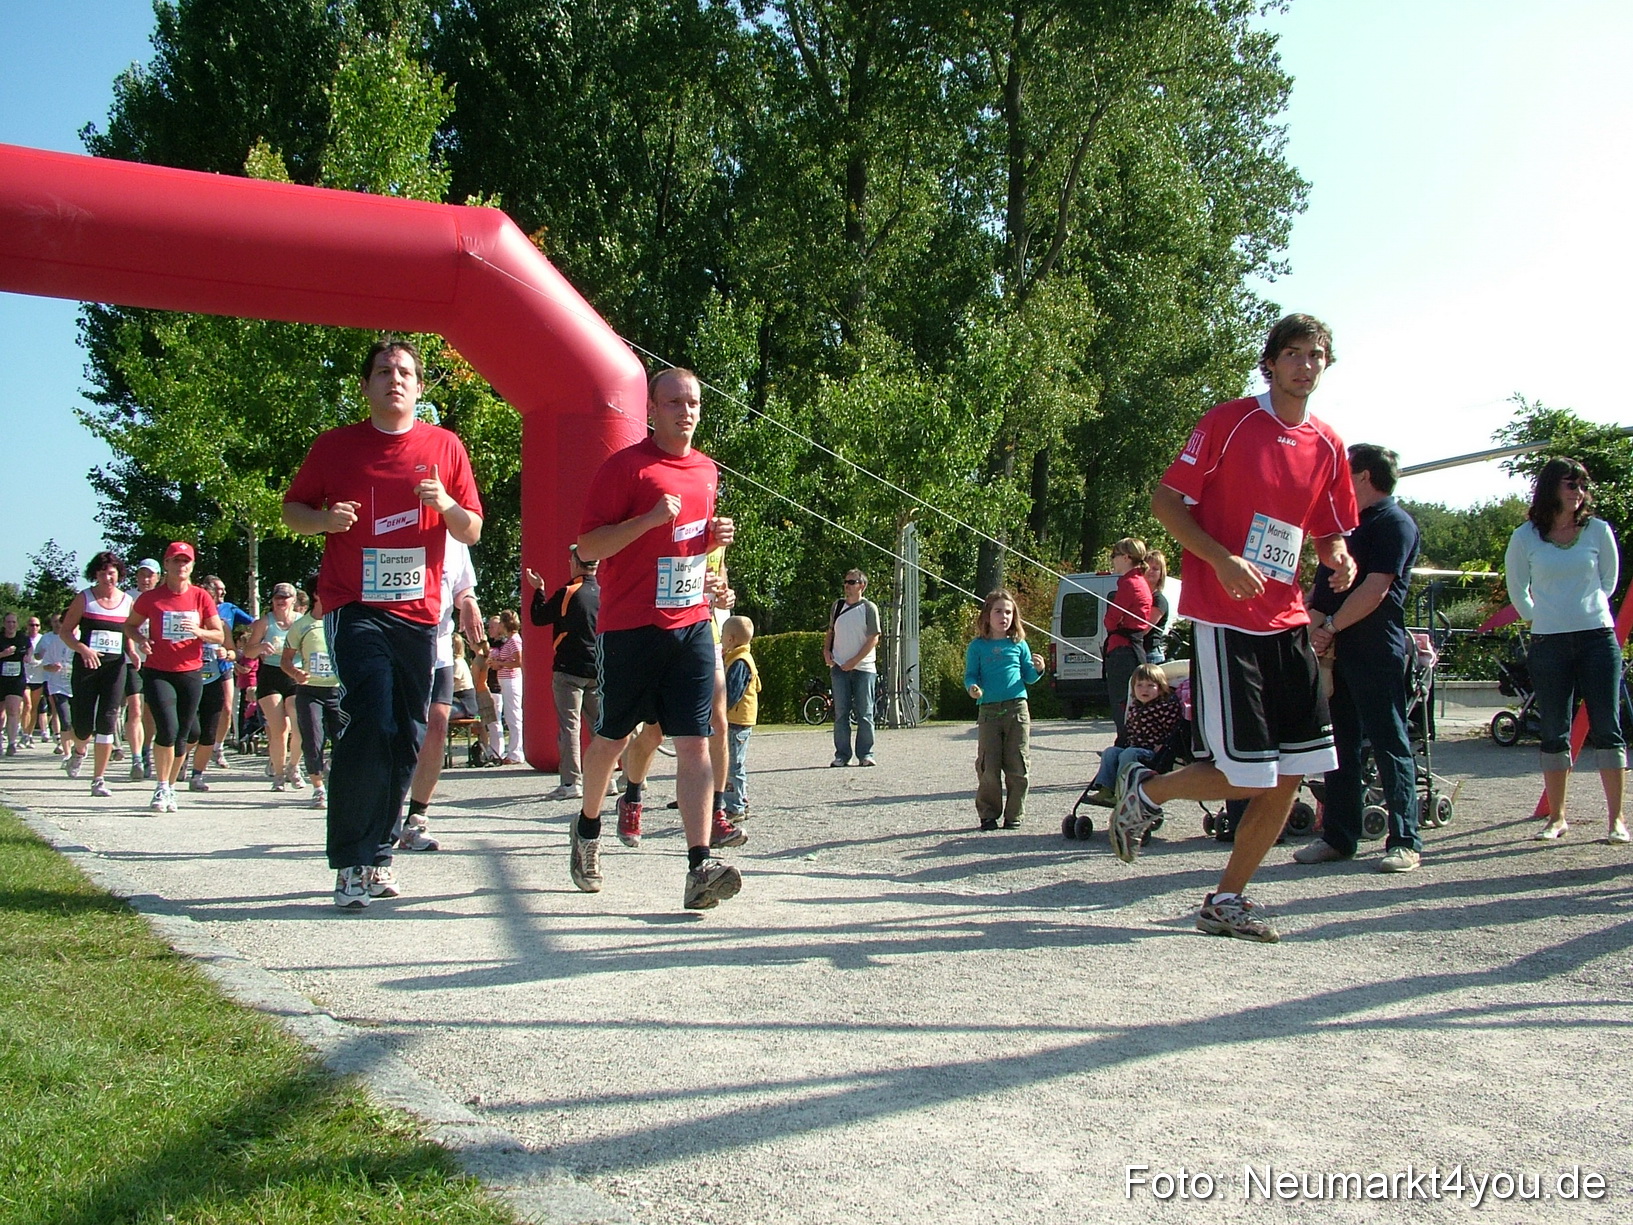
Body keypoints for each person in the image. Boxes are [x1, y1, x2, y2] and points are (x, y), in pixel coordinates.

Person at [1109, 313, 1359, 943]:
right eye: (1295, 354)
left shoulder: (1329, 445)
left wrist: (1335, 555)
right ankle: (1150, 789)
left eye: (1317, 356)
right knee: (1250, 772)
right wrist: (1220, 558)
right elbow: (1165, 502)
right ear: (1270, 363)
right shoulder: (1229, 421)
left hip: (1289, 620)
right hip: (1225, 618)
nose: (1306, 366)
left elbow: (1327, 528)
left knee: (1294, 769)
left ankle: (1227, 899)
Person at [282, 337, 483, 910]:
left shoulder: (445, 447)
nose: (395, 380)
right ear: (366, 385)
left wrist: (444, 503)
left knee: (407, 733)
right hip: (356, 605)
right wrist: (324, 519)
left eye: (406, 373)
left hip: (420, 616)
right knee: (369, 716)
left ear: (419, 387)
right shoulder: (336, 447)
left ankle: (379, 855)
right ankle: (349, 860)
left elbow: (471, 530)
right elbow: (290, 511)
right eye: (384, 371)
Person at [568, 366, 742, 910]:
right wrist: (645, 521)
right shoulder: (624, 469)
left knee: (694, 741)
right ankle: (588, 828)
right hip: (629, 629)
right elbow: (587, 547)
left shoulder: (708, 472)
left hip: (690, 625)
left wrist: (713, 559)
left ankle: (699, 865)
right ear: (651, 410)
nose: (685, 412)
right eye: (673, 403)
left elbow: (691, 551)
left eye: (693, 403)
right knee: (612, 741)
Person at [1297, 444, 1425, 871]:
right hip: (1336, 651)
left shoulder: (1394, 523)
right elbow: (1321, 590)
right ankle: (1338, 836)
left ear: (1364, 476)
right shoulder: (1341, 527)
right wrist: (1306, 627)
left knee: (1389, 741)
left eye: (1343, 473)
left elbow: (1375, 590)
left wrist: (1329, 628)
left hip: (1376, 648)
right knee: (1339, 744)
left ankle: (1404, 840)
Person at [1504, 457, 1626, 844]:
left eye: (1582, 486)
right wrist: (1539, 617)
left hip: (1597, 638)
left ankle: (1616, 820)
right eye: (1570, 485)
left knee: (1608, 728)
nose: (1578, 493)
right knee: (1554, 729)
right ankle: (1556, 818)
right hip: (1548, 641)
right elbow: (1517, 587)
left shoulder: (1598, 531)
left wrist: (1584, 609)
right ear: (1551, 488)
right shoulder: (1525, 536)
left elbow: (1608, 581)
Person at [125, 542, 224, 813]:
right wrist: (141, 640)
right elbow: (130, 625)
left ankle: (170, 786)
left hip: (191, 672)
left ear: (192, 566)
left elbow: (219, 634)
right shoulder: (151, 598)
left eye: (186, 561)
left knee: (186, 734)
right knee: (167, 730)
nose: (181, 566)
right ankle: (161, 787)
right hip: (158, 671)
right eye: (176, 561)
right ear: (166, 565)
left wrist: (198, 631)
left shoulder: (200, 597)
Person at [403, 533, 483, 848]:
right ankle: (386, 815)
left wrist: (471, 604)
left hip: (439, 649)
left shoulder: (454, 534)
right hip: (399, 645)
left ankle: (417, 819)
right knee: (401, 732)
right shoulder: (400, 524)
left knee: (438, 723)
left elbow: (464, 587)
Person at [963, 589, 1045, 829]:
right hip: (988, 710)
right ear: (987, 615)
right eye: (998, 611)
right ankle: (988, 814)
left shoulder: (1019, 645)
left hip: (1016, 708)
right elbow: (970, 675)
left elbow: (1029, 677)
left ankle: (1014, 815)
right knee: (989, 765)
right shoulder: (977, 647)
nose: (1004, 616)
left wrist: (1038, 669)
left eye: (1008, 612)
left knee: (1018, 764)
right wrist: (972, 687)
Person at [530, 546, 602, 801]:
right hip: (597, 666)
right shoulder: (602, 592)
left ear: (574, 562)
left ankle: (572, 782)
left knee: (570, 726)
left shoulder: (569, 591)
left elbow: (538, 617)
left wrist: (539, 590)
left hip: (568, 667)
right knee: (599, 727)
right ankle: (607, 778)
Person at [59, 551, 133, 797]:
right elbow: (66, 632)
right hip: (87, 667)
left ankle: (99, 779)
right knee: (83, 725)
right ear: (95, 575)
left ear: (118, 574)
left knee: (108, 719)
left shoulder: (126, 601)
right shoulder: (85, 598)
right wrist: (83, 648)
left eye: (111, 573)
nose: (107, 578)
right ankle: (80, 751)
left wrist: (133, 651)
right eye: (102, 574)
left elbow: (127, 631)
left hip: (115, 668)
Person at [1085, 664, 1184, 803]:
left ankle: (1123, 791)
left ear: (1160, 688)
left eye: (1150, 685)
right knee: (1110, 752)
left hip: (1155, 753)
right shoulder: (1135, 706)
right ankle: (1106, 789)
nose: (1144, 689)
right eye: (1140, 685)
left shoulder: (1166, 706)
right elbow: (1128, 731)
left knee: (1128, 753)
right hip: (1134, 747)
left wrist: (1165, 746)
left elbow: (1174, 729)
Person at [281, 595, 341, 810]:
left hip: (338, 690)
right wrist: (295, 673)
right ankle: (318, 789)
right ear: (317, 594)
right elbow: (285, 661)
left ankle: (337, 779)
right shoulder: (302, 626)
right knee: (313, 738)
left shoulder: (341, 620)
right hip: (310, 691)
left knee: (343, 740)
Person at [246, 582, 305, 792]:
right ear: (272, 600)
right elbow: (248, 652)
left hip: (296, 674)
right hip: (271, 676)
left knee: (300, 727)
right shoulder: (264, 623)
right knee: (279, 729)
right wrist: (260, 647)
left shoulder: (302, 622)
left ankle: (294, 767)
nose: (281, 601)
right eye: (277, 598)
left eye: (286, 597)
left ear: (293, 601)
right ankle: (278, 775)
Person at [824, 568, 881, 767]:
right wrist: (826, 651)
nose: (847, 586)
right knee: (841, 713)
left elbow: (874, 638)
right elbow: (831, 631)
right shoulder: (837, 606)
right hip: (839, 666)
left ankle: (866, 753)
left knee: (865, 712)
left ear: (861, 585)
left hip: (863, 668)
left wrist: (855, 661)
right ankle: (842, 755)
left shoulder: (869, 608)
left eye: (852, 582)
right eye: (846, 582)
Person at [1102, 537, 1153, 739]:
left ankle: (1125, 739)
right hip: (1133, 647)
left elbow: (1111, 620)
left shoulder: (1130, 584)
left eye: (1114, 556)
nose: (1112, 560)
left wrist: (1111, 623)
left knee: (1122, 700)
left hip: (1123, 650)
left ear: (1125, 557)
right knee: (1131, 699)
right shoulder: (1141, 582)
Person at [203, 574, 256, 763]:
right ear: (207, 590)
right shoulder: (196, 607)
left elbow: (254, 623)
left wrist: (246, 651)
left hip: (223, 663)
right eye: (218, 589)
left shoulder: (229, 608)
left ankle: (218, 747)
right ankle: (190, 750)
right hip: (199, 664)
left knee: (226, 706)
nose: (223, 592)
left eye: (224, 589)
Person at [182, 615, 235, 792]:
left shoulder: (221, 625)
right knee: (192, 732)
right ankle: (181, 756)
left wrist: (226, 654)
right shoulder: (187, 621)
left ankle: (197, 775)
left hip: (213, 680)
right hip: (189, 679)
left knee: (209, 733)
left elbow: (233, 651)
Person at [123, 557, 160, 780]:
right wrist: (131, 651)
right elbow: (124, 628)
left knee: (150, 712)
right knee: (135, 707)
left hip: (156, 661)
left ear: (157, 577)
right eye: (142, 575)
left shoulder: (162, 598)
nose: (145, 579)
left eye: (150, 575)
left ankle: (146, 750)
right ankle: (136, 757)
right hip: (131, 661)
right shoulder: (128, 598)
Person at [721, 615, 760, 822]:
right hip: (741, 719)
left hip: (736, 720)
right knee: (736, 763)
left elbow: (732, 693)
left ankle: (735, 807)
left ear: (730, 639)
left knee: (732, 765)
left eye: (723, 635)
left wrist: (716, 710)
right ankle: (741, 801)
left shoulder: (739, 661)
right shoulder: (742, 657)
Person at [32, 613, 74, 755]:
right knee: (58, 711)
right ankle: (61, 742)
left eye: (60, 621)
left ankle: (73, 743)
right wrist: (50, 664)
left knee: (74, 716)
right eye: (55, 622)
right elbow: (38, 658)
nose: (58, 624)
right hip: (53, 681)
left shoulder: (81, 638)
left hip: (75, 683)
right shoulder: (48, 639)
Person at [0, 611, 30, 755]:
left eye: (13, 622)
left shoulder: (22, 638)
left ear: (17, 624)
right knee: (0, 713)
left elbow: (29, 650)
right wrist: (2, 654)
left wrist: (29, 656)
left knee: (13, 709)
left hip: (16, 679)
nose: (11, 625)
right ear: (4, 624)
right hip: (1, 678)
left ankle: (11, 743)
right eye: (8, 622)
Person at [21, 614, 48, 747]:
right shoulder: (23, 639)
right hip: (25, 676)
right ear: (27, 626)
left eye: (37, 625)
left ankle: (29, 734)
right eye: (31, 625)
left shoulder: (43, 639)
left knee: (34, 708)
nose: (34, 627)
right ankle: (24, 734)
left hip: (39, 676)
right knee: (27, 705)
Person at [1143, 550, 1171, 665]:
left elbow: (1144, 628)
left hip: (1151, 655)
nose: (1151, 571)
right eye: (1148, 567)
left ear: (1161, 574)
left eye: (1155, 569)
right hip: (1136, 652)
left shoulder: (1159, 600)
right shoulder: (1138, 597)